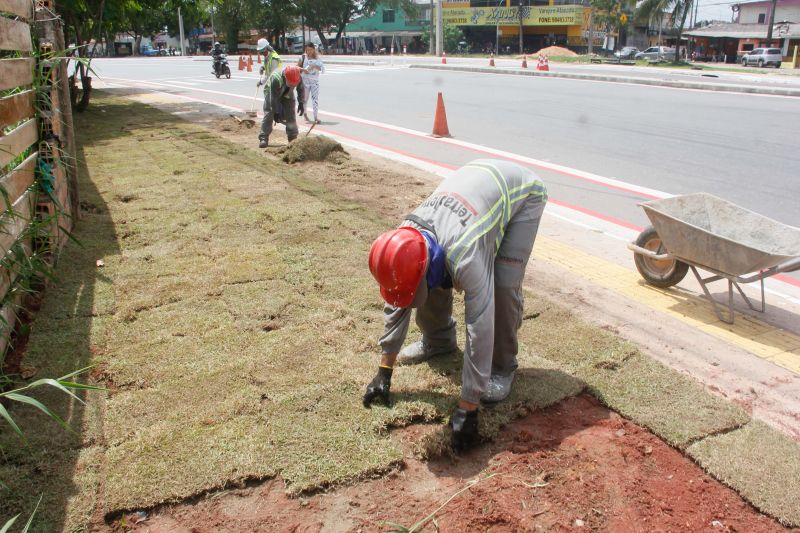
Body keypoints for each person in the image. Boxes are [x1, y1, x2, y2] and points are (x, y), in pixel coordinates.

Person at [363, 159, 548, 451]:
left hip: (522, 195)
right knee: (433, 275)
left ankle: (502, 369)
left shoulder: (466, 255)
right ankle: (439, 341)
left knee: (502, 286)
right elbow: (401, 296)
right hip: (473, 183)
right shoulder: (404, 240)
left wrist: (468, 406)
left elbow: (480, 324)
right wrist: (384, 370)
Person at [256, 65, 304, 149]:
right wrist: (276, 112)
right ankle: (263, 138)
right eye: (290, 83)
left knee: (291, 114)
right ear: (285, 76)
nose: (292, 84)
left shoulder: (297, 75)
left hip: (287, 92)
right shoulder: (276, 78)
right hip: (272, 92)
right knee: (269, 113)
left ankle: (292, 138)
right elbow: (273, 99)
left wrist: (301, 102)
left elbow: (300, 88)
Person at [297, 43, 325, 124]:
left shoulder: (317, 58)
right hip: (305, 82)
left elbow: (321, 68)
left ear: (313, 49)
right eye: (307, 50)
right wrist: (303, 69)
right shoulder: (302, 57)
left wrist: (314, 66)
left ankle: (316, 117)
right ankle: (305, 114)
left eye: (310, 50)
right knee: (305, 99)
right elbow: (296, 67)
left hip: (314, 82)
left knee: (315, 99)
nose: (308, 52)